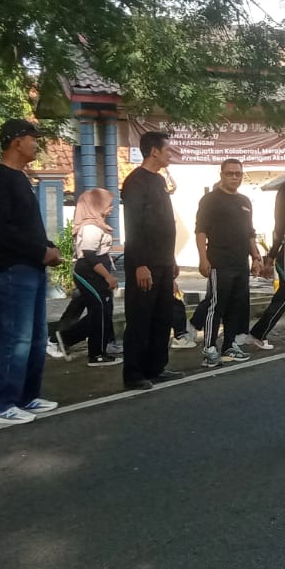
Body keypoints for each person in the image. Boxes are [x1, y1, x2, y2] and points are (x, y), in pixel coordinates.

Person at [0, 120, 61, 425]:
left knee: (37, 337)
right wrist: (40, 251)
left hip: (31, 266)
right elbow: (2, 231)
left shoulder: (21, 178)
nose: (36, 144)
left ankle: (26, 396)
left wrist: (48, 247)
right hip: (11, 269)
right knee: (16, 337)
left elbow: (28, 227)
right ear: (16, 142)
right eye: (32, 139)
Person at [122, 129, 184, 390]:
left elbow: (164, 224)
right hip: (144, 263)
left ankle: (155, 367)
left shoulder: (159, 180)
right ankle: (134, 373)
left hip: (164, 261)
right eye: (167, 149)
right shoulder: (136, 182)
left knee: (162, 316)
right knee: (140, 318)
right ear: (154, 151)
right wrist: (140, 264)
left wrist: (171, 260)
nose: (170, 154)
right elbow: (134, 225)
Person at [194, 158, 263, 367]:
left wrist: (256, 257)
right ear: (222, 175)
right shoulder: (210, 200)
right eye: (230, 173)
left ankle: (229, 346)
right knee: (216, 305)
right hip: (219, 261)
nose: (234, 177)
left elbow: (249, 233)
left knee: (236, 305)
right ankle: (209, 348)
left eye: (238, 174)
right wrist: (203, 258)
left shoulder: (245, 201)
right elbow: (201, 230)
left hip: (240, 262)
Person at [50, 187, 120, 366]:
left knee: (103, 311)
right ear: (95, 206)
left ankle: (70, 339)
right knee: (99, 311)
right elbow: (89, 255)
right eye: (107, 204)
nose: (111, 207)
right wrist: (108, 276)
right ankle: (95, 354)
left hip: (96, 273)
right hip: (89, 273)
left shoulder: (98, 225)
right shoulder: (90, 228)